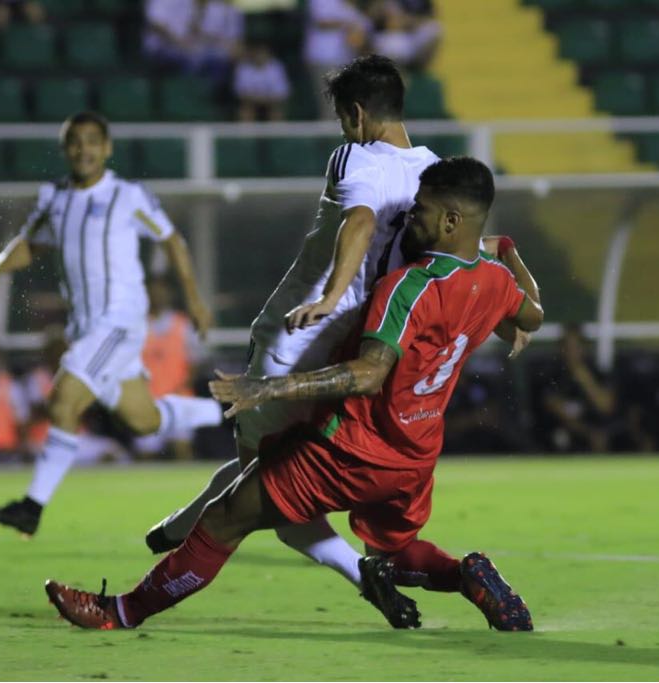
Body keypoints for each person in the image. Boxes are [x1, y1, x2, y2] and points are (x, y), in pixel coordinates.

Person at [44, 156, 543, 632]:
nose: (411, 216)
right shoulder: (497, 283)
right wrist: (506, 250)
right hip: (415, 457)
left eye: (423, 210)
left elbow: (369, 373)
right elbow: (534, 314)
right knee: (391, 553)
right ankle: (465, 575)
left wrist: (273, 386)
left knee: (225, 519)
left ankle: (120, 612)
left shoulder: (409, 288)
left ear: (452, 220)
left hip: (351, 448)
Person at [145, 55, 442, 592]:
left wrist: (330, 295)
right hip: (358, 355)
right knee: (270, 471)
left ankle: (360, 573)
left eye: (340, 117)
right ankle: (175, 528)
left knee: (270, 486)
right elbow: (468, 251)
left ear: (355, 113)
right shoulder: (436, 173)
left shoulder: (353, 157)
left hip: (296, 338)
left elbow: (360, 219)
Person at [0, 111, 223, 537]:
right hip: (89, 330)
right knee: (142, 419)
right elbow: (29, 244)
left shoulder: (128, 196)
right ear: (65, 149)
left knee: (63, 398)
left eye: (92, 141)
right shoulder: (54, 199)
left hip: (120, 323)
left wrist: (195, 300)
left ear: (107, 148)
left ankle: (31, 507)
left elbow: (171, 239)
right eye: (75, 141)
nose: (83, 149)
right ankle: (229, 412)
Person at [23, 329, 130, 466]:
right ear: (47, 354)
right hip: (45, 438)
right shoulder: (36, 377)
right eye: (55, 351)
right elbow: (37, 410)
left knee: (115, 451)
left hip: (77, 437)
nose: (59, 354)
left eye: (63, 350)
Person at [134, 277, 208, 460]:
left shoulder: (183, 325)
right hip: (147, 402)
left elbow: (196, 362)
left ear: (169, 295)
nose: (156, 296)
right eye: (152, 291)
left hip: (179, 401)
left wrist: (180, 387)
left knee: (182, 450)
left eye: (161, 291)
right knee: (145, 455)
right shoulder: (137, 325)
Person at [539, 324, 616, 453]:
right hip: (566, 430)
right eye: (568, 347)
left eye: (577, 346)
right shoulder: (552, 376)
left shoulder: (596, 373)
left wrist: (583, 376)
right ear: (561, 348)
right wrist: (588, 433)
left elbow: (606, 406)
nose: (572, 351)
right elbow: (558, 411)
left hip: (595, 426)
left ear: (584, 348)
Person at [233, 42, 291, 122]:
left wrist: (265, 99)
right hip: (251, 103)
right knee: (245, 111)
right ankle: (247, 134)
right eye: (257, 54)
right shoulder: (244, 68)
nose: (260, 56)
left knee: (277, 111)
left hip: (271, 103)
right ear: (253, 54)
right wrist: (258, 99)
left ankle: (277, 133)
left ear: (268, 55)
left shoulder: (276, 68)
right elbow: (241, 93)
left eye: (262, 53)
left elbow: (282, 93)